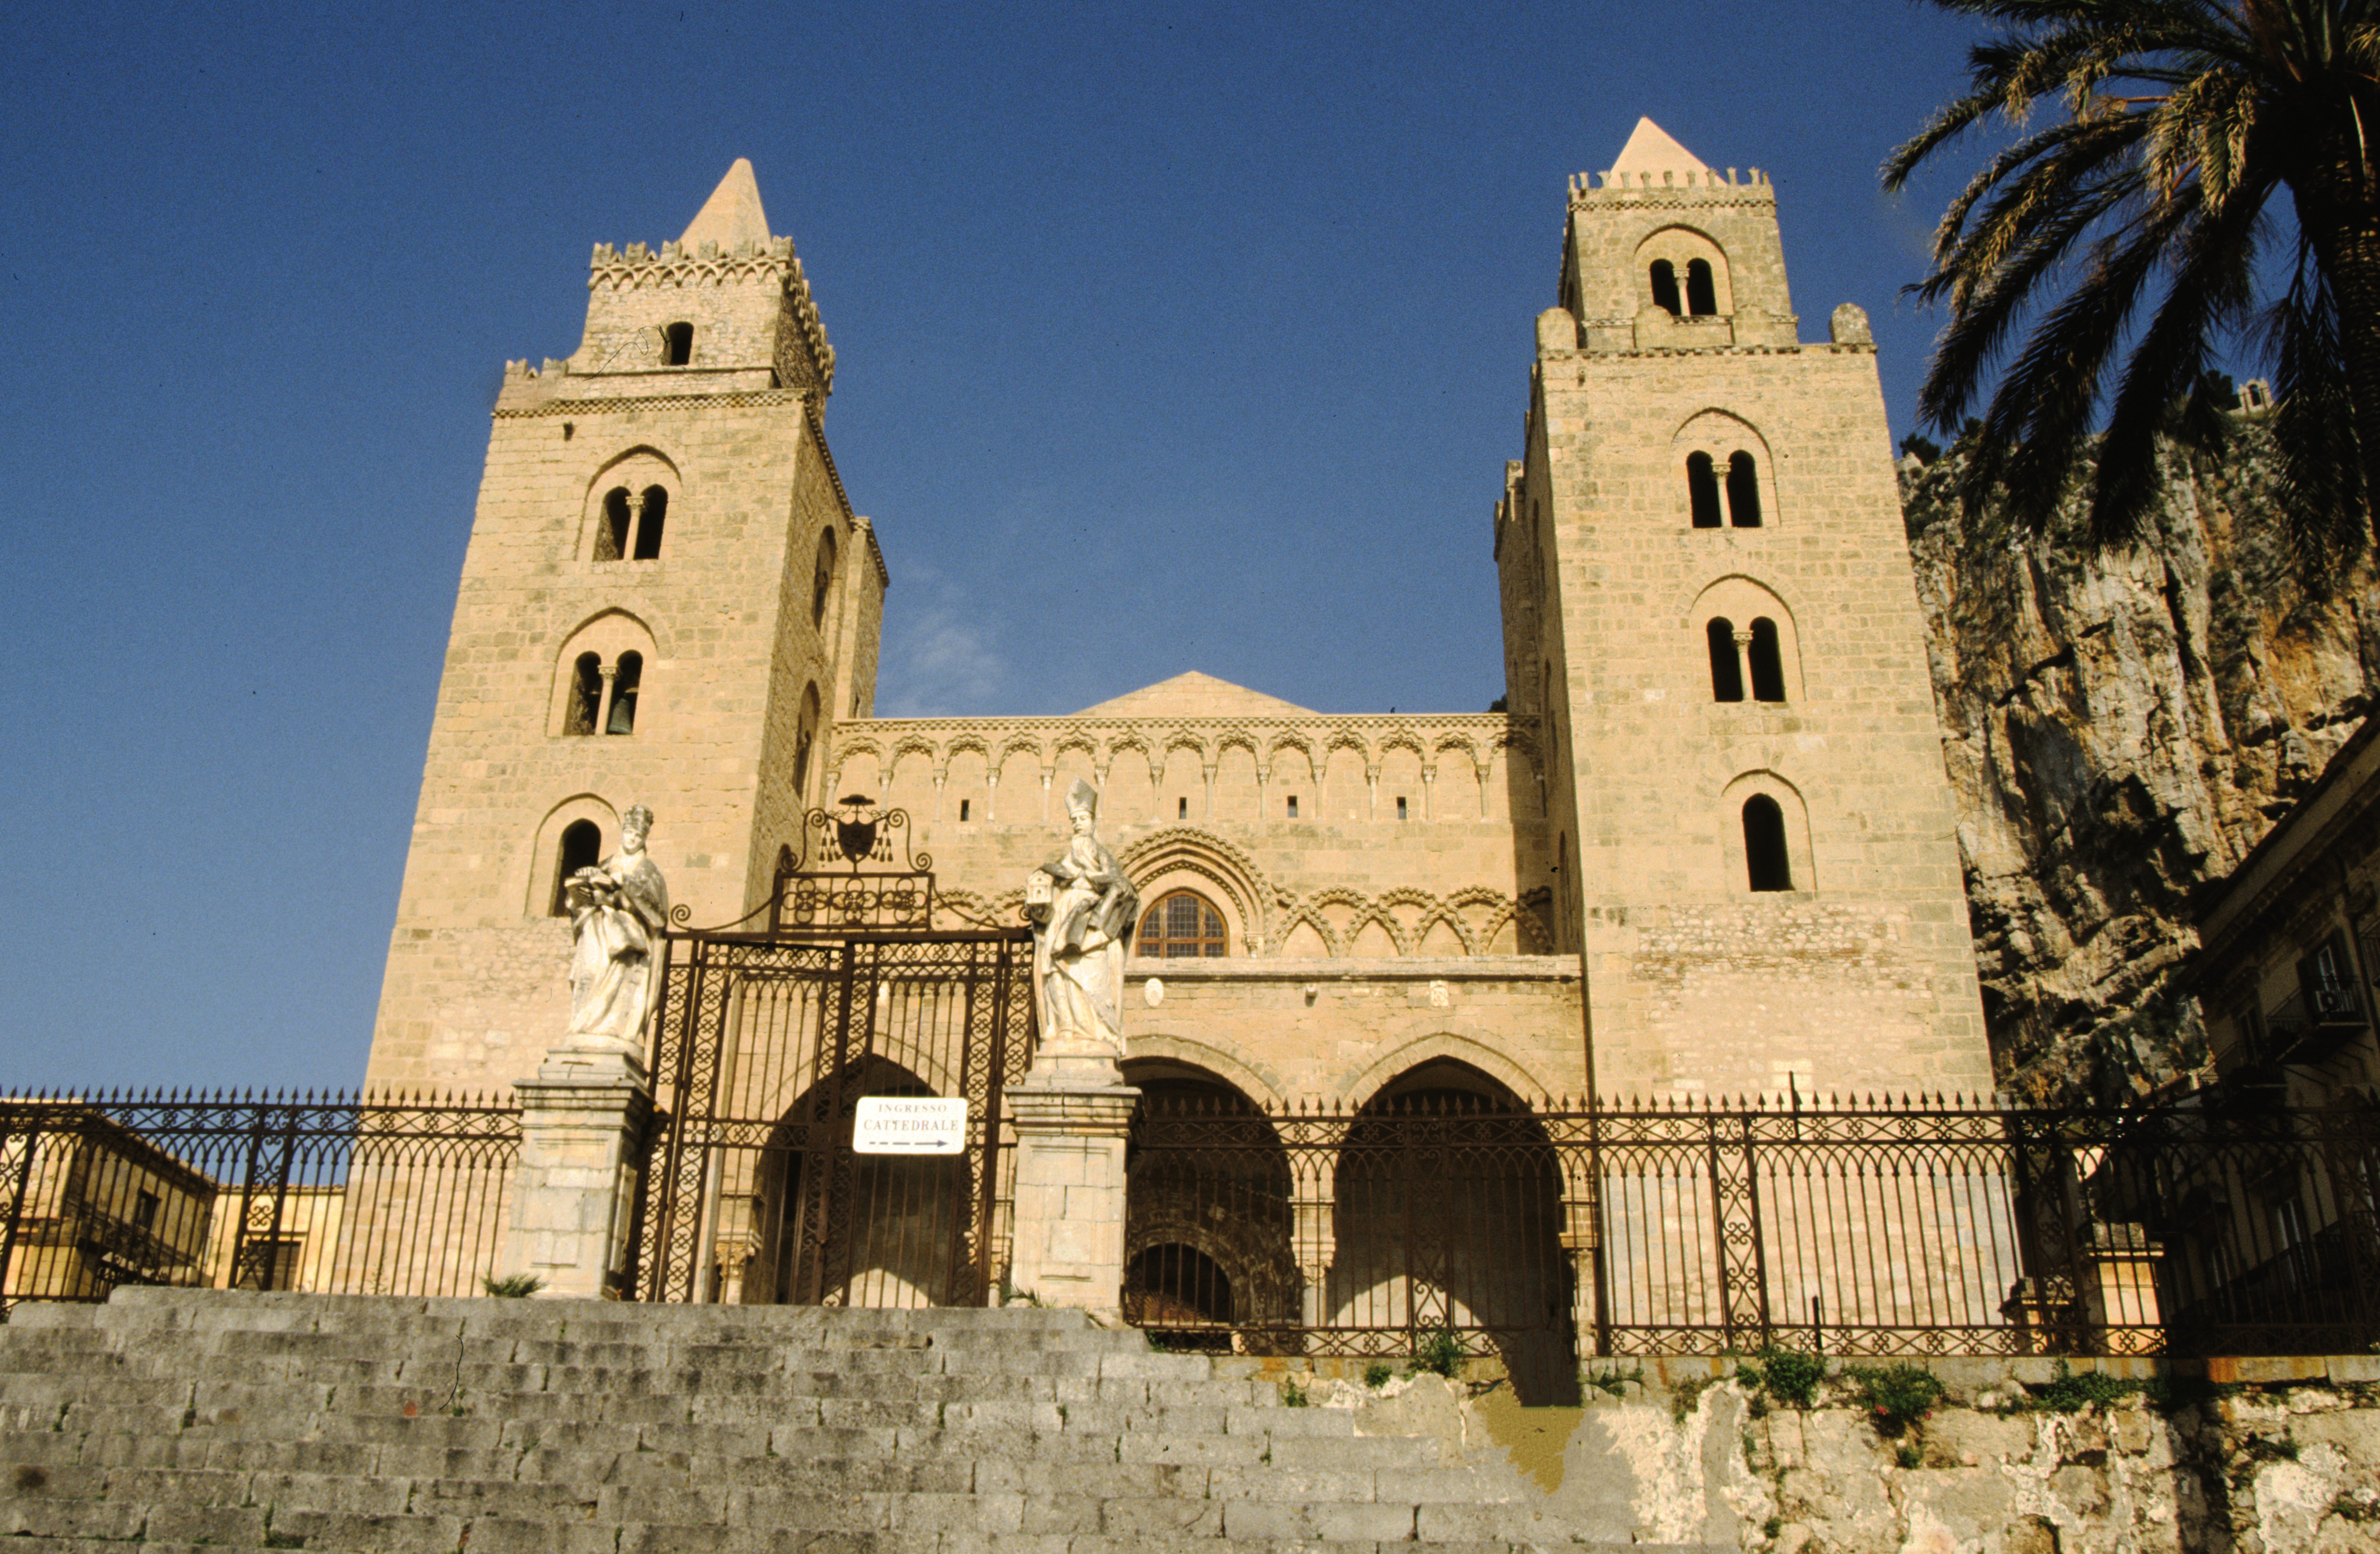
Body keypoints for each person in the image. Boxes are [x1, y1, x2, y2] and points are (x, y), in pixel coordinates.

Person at [1026, 779, 1138, 1056]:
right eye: (1074, 820)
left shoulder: (1101, 854)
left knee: (1090, 978)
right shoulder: (1066, 859)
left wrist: (1093, 884)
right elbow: (1050, 883)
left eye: (1083, 819)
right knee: (1056, 971)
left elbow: (1122, 886)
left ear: (1094, 822)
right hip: (1065, 916)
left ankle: (1095, 1030)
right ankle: (1066, 1027)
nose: (1078, 824)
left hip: (1089, 921)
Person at [564, 804, 670, 1052]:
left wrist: (624, 890)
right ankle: (586, 1026)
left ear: (644, 839)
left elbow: (658, 916)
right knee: (591, 972)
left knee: (619, 980)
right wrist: (584, 891)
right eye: (629, 833)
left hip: (628, 938)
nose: (632, 839)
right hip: (596, 934)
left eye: (637, 836)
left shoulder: (649, 871)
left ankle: (614, 1028)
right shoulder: (604, 865)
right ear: (622, 833)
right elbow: (577, 904)